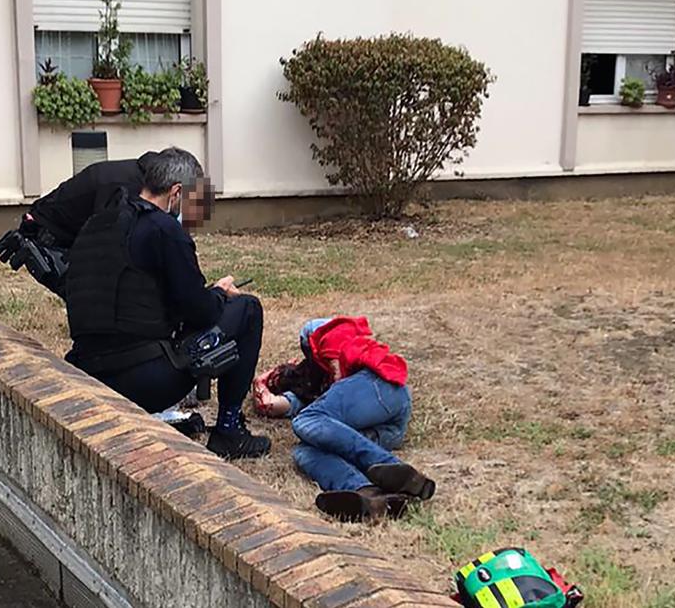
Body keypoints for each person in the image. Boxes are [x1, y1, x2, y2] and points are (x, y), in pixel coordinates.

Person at [63, 148, 270, 460]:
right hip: (142, 380)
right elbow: (200, 311)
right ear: (176, 193)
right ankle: (229, 432)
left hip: (85, 373)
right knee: (247, 309)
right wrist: (217, 292)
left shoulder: (96, 224)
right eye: (194, 200)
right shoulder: (163, 228)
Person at [253, 316, 436, 521]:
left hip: (379, 385)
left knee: (305, 420)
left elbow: (334, 340)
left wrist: (332, 361)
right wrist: (261, 386)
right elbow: (276, 405)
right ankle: (368, 493)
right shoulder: (315, 391)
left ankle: (391, 466)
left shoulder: (326, 336)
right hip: (381, 429)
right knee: (304, 451)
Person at [0, 150, 172, 298]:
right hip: (50, 238)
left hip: (52, 227)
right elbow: (106, 238)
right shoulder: (126, 186)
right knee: (91, 296)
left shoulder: (132, 173)